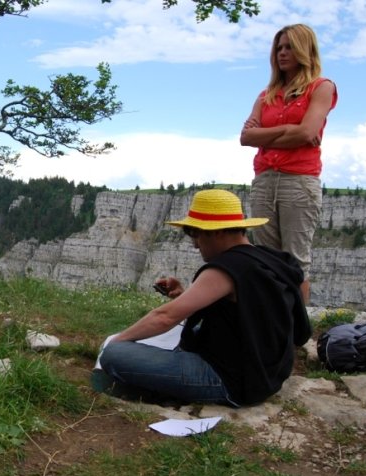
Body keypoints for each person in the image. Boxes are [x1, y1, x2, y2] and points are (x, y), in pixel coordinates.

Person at [91, 189, 311, 407]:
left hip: (230, 381)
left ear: (216, 232)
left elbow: (164, 317)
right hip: (266, 375)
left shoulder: (227, 268)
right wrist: (184, 295)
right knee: (180, 334)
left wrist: (115, 344)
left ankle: (148, 387)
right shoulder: (272, 259)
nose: (195, 244)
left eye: (195, 234)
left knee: (116, 353)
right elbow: (252, 311)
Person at [240, 24, 338, 303]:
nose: (282, 53)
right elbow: (246, 137)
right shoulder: (266, 95)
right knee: (266, 259)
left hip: (299, 181)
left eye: (289, 47)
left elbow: (308, 132)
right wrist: (291, 133)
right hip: (265, 180)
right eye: (279, 47)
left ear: (305, 50)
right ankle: (271, 327)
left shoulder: (322, 87)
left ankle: (297, 334)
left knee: (295, 261)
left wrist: (268, 136)